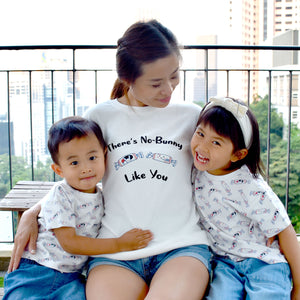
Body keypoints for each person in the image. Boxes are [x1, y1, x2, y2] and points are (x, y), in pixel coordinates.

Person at [7, 20, 212, 300]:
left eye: (174, 76)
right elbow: (79, 177)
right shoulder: (99, 117)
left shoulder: (190, 116)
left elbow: (225, 166)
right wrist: (32, 213)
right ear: (128, 79)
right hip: (114, 252)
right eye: (155, 82)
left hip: (181, 248)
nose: (168, 89)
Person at [4, 116, 153, 300]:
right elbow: (70, 243)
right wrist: (119, 244)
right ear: (59, 170)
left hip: (71, 278)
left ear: (104, 154)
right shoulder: (60, 193)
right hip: (37, 271)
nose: (86, 168)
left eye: (92, 157)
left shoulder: (100, 195)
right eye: (74, 163)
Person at [190, 96, 300, 299]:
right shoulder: (196, 171)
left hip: (264, 261)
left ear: (238, 155)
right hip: (225, 264)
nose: (202, 147)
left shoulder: (250, 187)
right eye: (200, 134)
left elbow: (284, 230)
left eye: (216, 142)